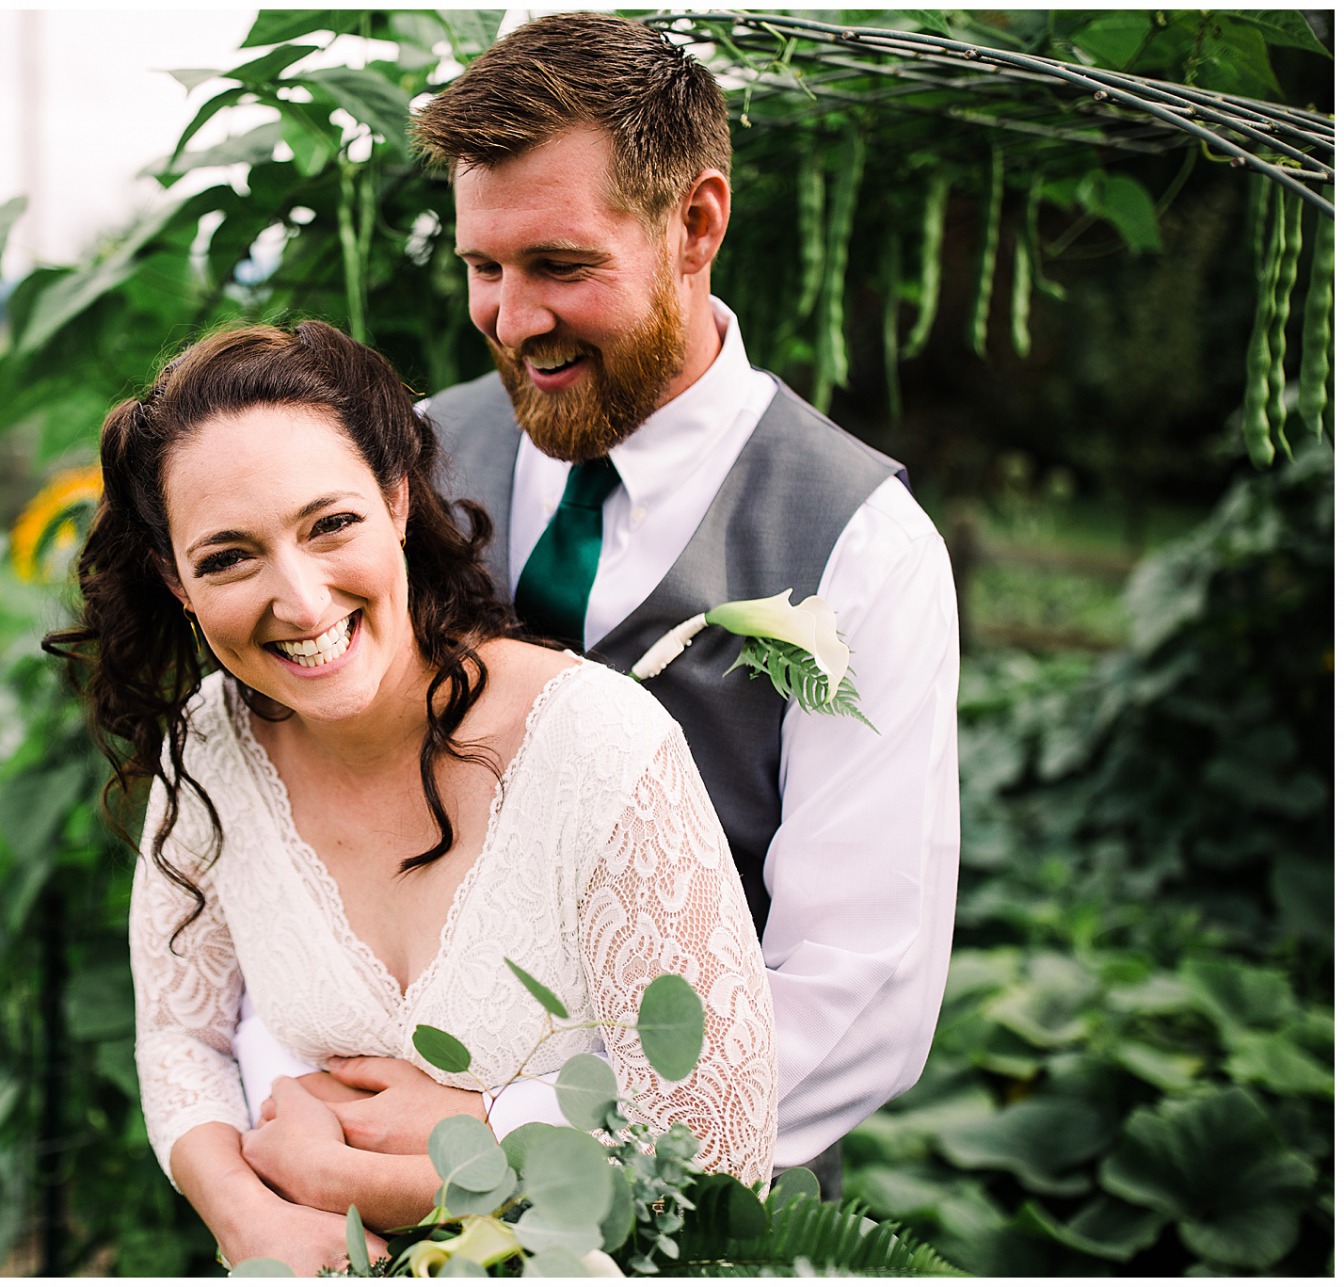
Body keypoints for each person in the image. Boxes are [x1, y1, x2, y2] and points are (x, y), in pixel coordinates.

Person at [237, 12, 960, 1200]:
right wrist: (307, 1112)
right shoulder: (404, 468)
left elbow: (857, 986)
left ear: (697, 224)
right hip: (362, 1188)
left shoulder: (861, 549)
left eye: (561, 267)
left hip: (697, 1213)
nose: (515, 321)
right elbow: (292, 838)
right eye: (484, 268)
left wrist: (510, 1135)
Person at [51, 320, 777, 1274]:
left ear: (397, 499)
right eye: (229, 556)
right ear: (173, 579)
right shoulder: (211, 752)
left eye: (331, 524)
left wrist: (420, 1174)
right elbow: (180, 1037)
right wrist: (247, 1217)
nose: (303, 602)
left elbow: (718, 1158)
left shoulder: (597, 747)